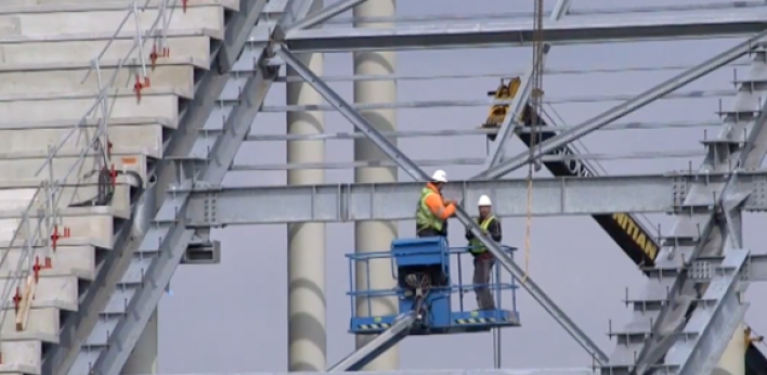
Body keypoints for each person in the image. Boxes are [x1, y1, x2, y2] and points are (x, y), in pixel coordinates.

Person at [465, 195, 502, 310]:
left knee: (482, 283)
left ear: (490, 208)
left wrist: (489, 235)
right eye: (482, 207)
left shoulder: (493, 222)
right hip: (478, 257)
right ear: (479, 209)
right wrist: (470, 229)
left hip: (487, 257)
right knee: (477, 283)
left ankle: (488, 307)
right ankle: (483, 306)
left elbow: (498, 237)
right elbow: (468, 236)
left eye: (486, 207)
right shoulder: (476, 222)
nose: (484, 210)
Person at [415, 170, 457, 238]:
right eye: (443, 184)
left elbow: (439, 202)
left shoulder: (428, 193)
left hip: (425, 230)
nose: (443, 186)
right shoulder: (433, 196)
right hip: (429, 231)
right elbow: (443, 214)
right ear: (440, 183)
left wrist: (449, 201)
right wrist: (452, 206)